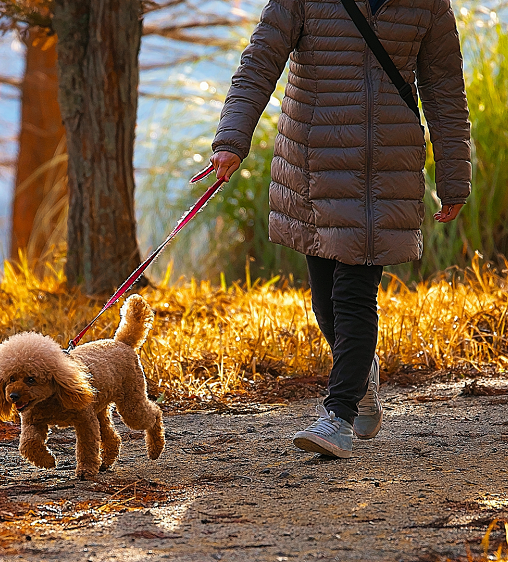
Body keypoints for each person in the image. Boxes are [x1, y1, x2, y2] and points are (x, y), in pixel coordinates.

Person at [210, 0, 470, 458]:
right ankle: (360, 375)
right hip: (316, 164)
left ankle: (338, 416)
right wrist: (232, 140)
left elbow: (445, 89)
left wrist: (453, 177)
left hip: (386, 169)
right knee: (326, 302)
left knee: (354, 295)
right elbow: (260, 61)